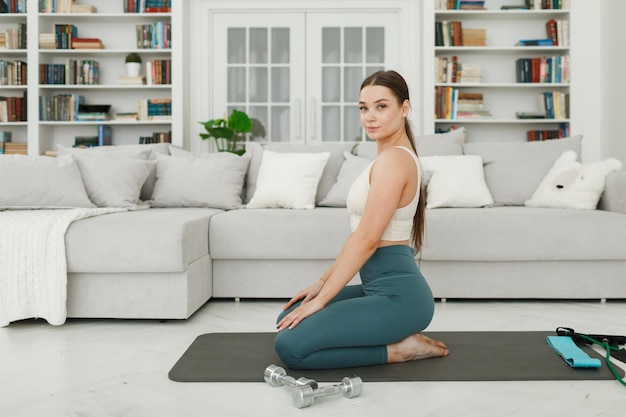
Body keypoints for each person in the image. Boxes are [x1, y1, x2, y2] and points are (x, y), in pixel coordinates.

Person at [274, 70, 450, 370]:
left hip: (400, 299)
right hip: (376, 288)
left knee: (290, 347)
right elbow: (358, 236)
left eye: (381, 106)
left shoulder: (395, 161)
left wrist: (322, 300)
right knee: (286, 320)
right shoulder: (387, 158)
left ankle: (403, 349)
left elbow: (368, 240)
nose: (370, 116)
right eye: (363, 108)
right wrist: (320, 285)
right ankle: (396, 336)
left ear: (403, 109)